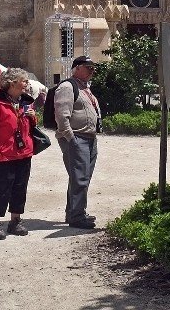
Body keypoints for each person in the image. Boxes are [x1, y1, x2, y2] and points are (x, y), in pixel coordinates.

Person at [0, 67, 36, 240]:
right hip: (2, 154)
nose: (26, 83)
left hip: (23, 152)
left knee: (20, 187)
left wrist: (32, 117)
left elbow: (28, 127)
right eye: (23, 80)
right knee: (1, 189)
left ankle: (15, 220)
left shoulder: (26, 101)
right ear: (12, 83)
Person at [55, 55, 101, 229]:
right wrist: (70, 137)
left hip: (88, 137)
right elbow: (62, 114)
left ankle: (74, 212)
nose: (92, 71)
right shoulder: (67, 86)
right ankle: (77, 216)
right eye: (88, 67)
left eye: (93, 67)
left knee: (81, 177)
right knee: (80, 177)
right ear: (77, 68)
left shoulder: (85, 87)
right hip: (76, 137)